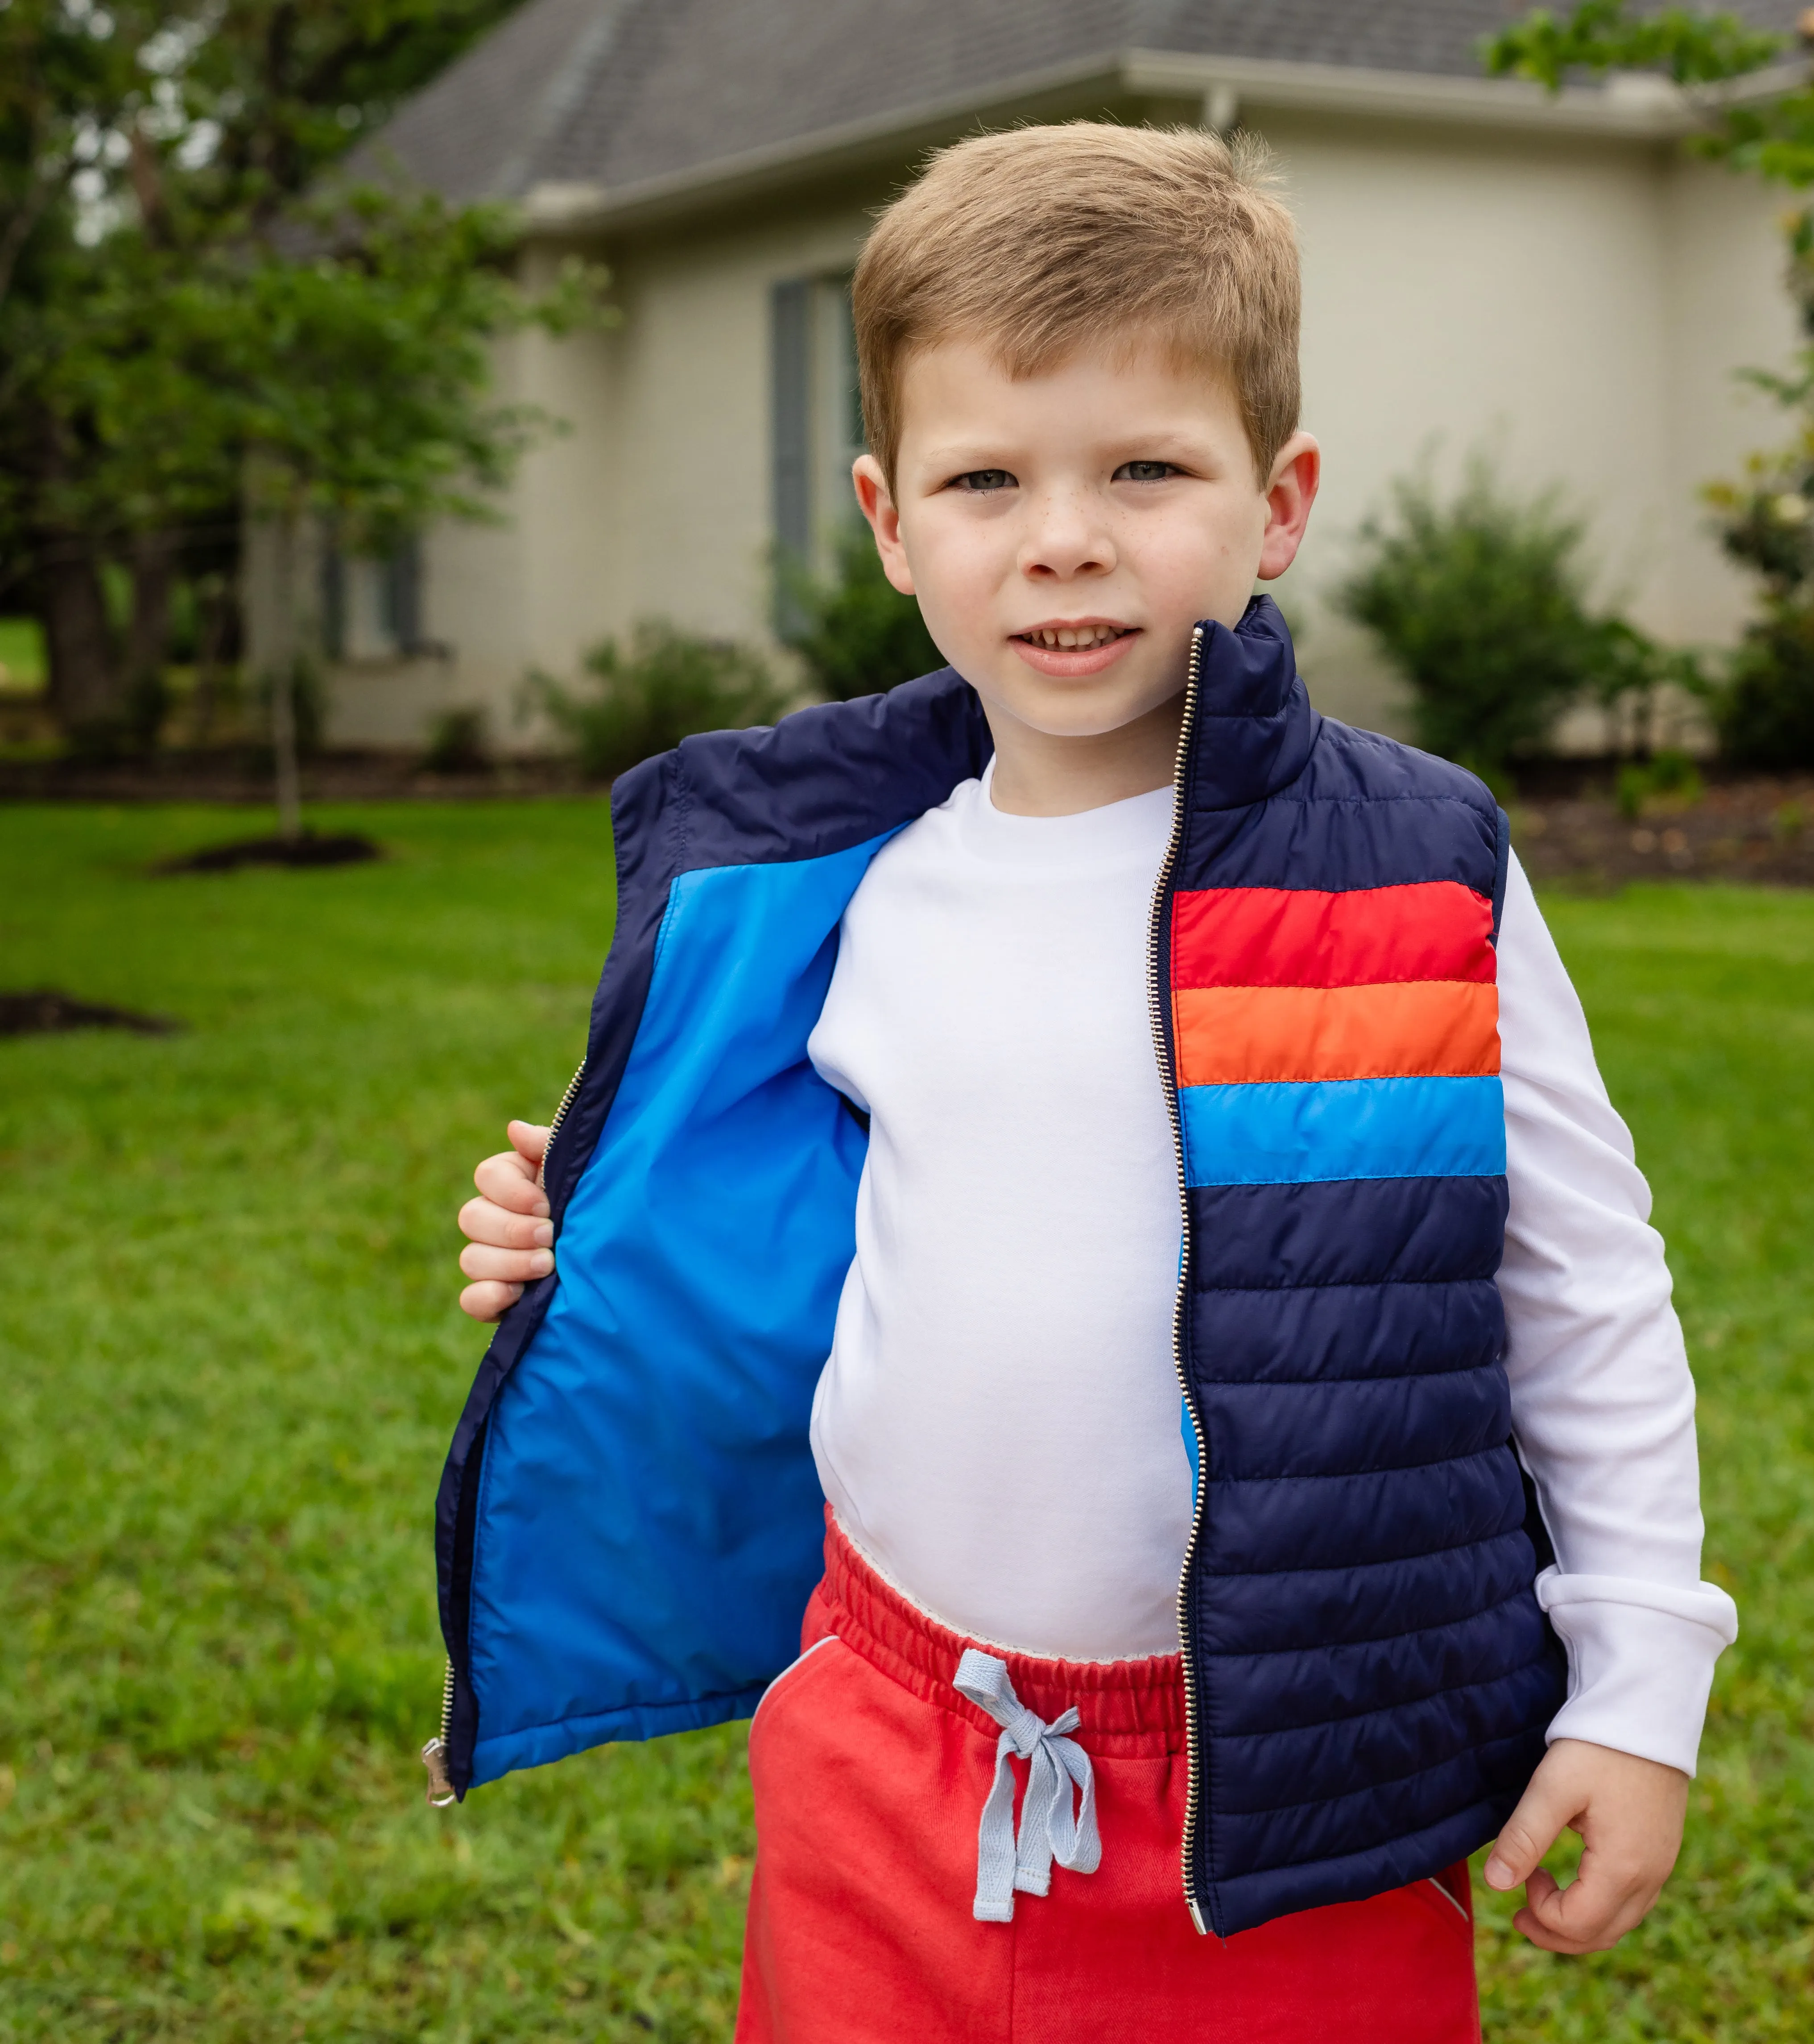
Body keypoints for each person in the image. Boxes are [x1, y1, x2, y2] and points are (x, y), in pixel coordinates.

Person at [438, 122, 1737, 2040]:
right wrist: (583, 1222)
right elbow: (791, 1207)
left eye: (1145, 468)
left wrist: (1636, 1679)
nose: (1063, 534)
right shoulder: (841, 885)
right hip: (889, 1734)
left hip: (1297, 1760)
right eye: (986, 477)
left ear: (1274, 499)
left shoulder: (1411, 867)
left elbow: (1580, 1283)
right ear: (888, 523)